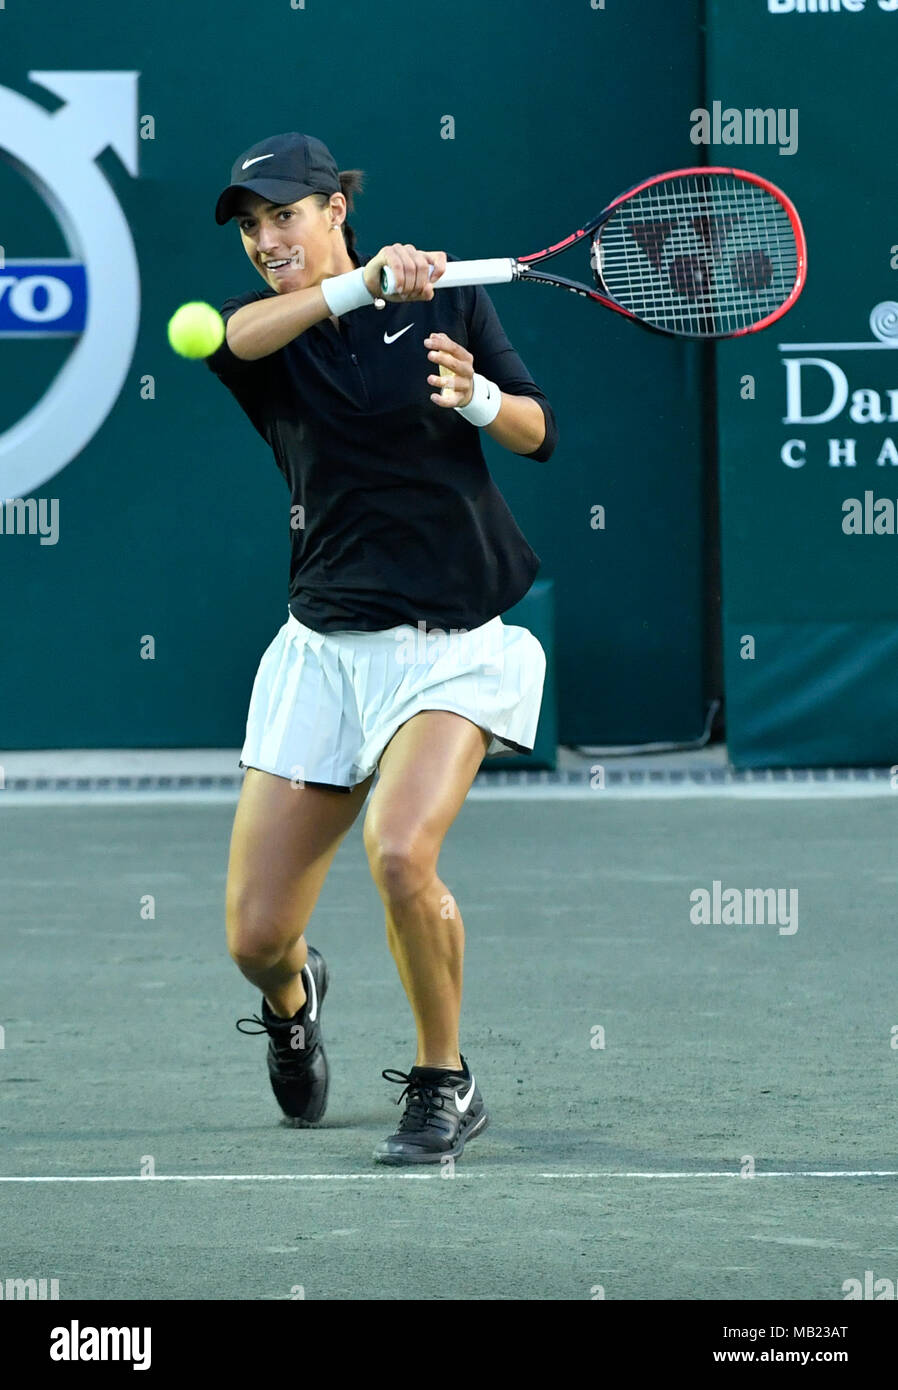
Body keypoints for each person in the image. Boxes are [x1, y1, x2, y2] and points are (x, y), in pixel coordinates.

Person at [206, 131, 557, 1165]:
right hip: (324, 651)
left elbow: (540, 430)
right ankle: (294, 997)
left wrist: (480, 401)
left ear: (333, 207)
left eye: (285, 215)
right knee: (254, 938)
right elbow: (247, 332)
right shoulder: (265, 339)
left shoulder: (449, 301)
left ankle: (444, 1078)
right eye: (253, 226)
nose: (268, 239)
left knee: (401, 851)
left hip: (453, 645)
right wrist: (357, 286)